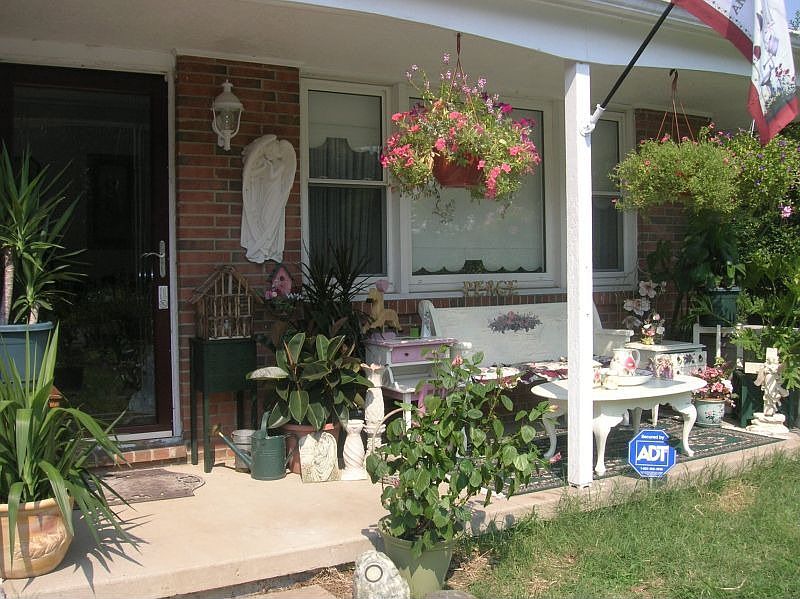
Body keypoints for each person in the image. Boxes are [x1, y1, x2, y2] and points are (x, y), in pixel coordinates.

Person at [240, 135, 297, 263]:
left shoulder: (280, 164)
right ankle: (262, 246)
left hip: (274, 194)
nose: (268, 153)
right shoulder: (270, 164)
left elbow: (272, 176)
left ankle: (266, 247)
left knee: (268, 218)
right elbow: (254, 175)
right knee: (262, 217)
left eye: (270, 151)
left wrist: (266, 166)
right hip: (266, 193)